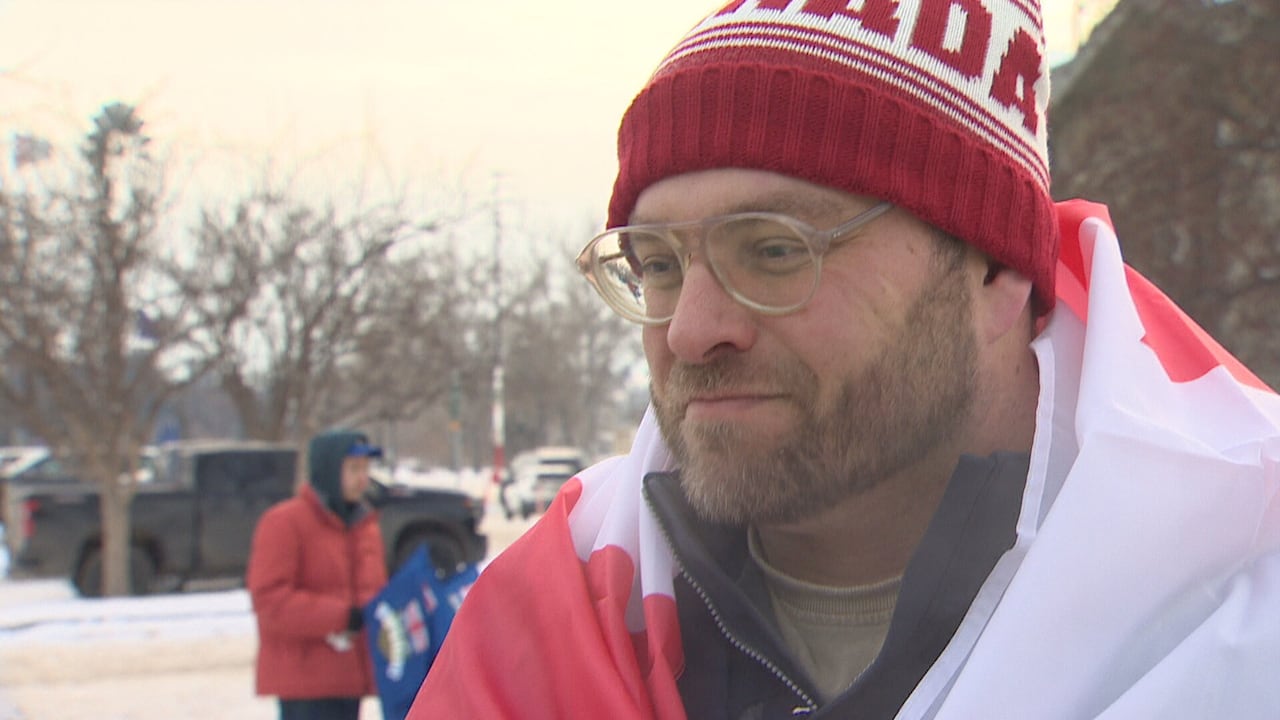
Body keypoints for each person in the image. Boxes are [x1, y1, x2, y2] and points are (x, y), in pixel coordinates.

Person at [408, 2, 1280, 718]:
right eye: (661, 267)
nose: (690, 331)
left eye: (776, 251)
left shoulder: (1239, 599)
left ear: (992, 265)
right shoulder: (551, 614)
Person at [248, 429, 389, 720]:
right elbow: (271, 601)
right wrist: (342, 616)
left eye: (365, 469)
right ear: (328, 470)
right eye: (353, 469)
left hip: (350, 679)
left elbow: (374, 591)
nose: (362, 479)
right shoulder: (285, 523)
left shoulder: (365, 526)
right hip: (305, 685)